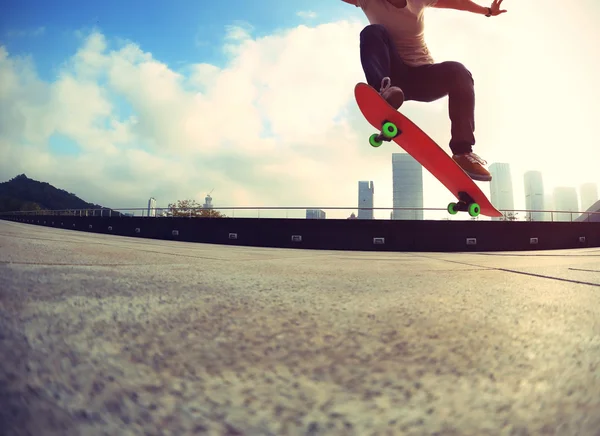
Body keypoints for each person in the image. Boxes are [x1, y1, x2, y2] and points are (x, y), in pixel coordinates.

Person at [342, 0, 507, 181]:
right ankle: (381, 92)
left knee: (459, 72)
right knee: (372, 32)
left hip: (423, 78)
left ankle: (463, 153)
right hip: (393, 82)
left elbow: (457, 2)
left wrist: (488, 11)